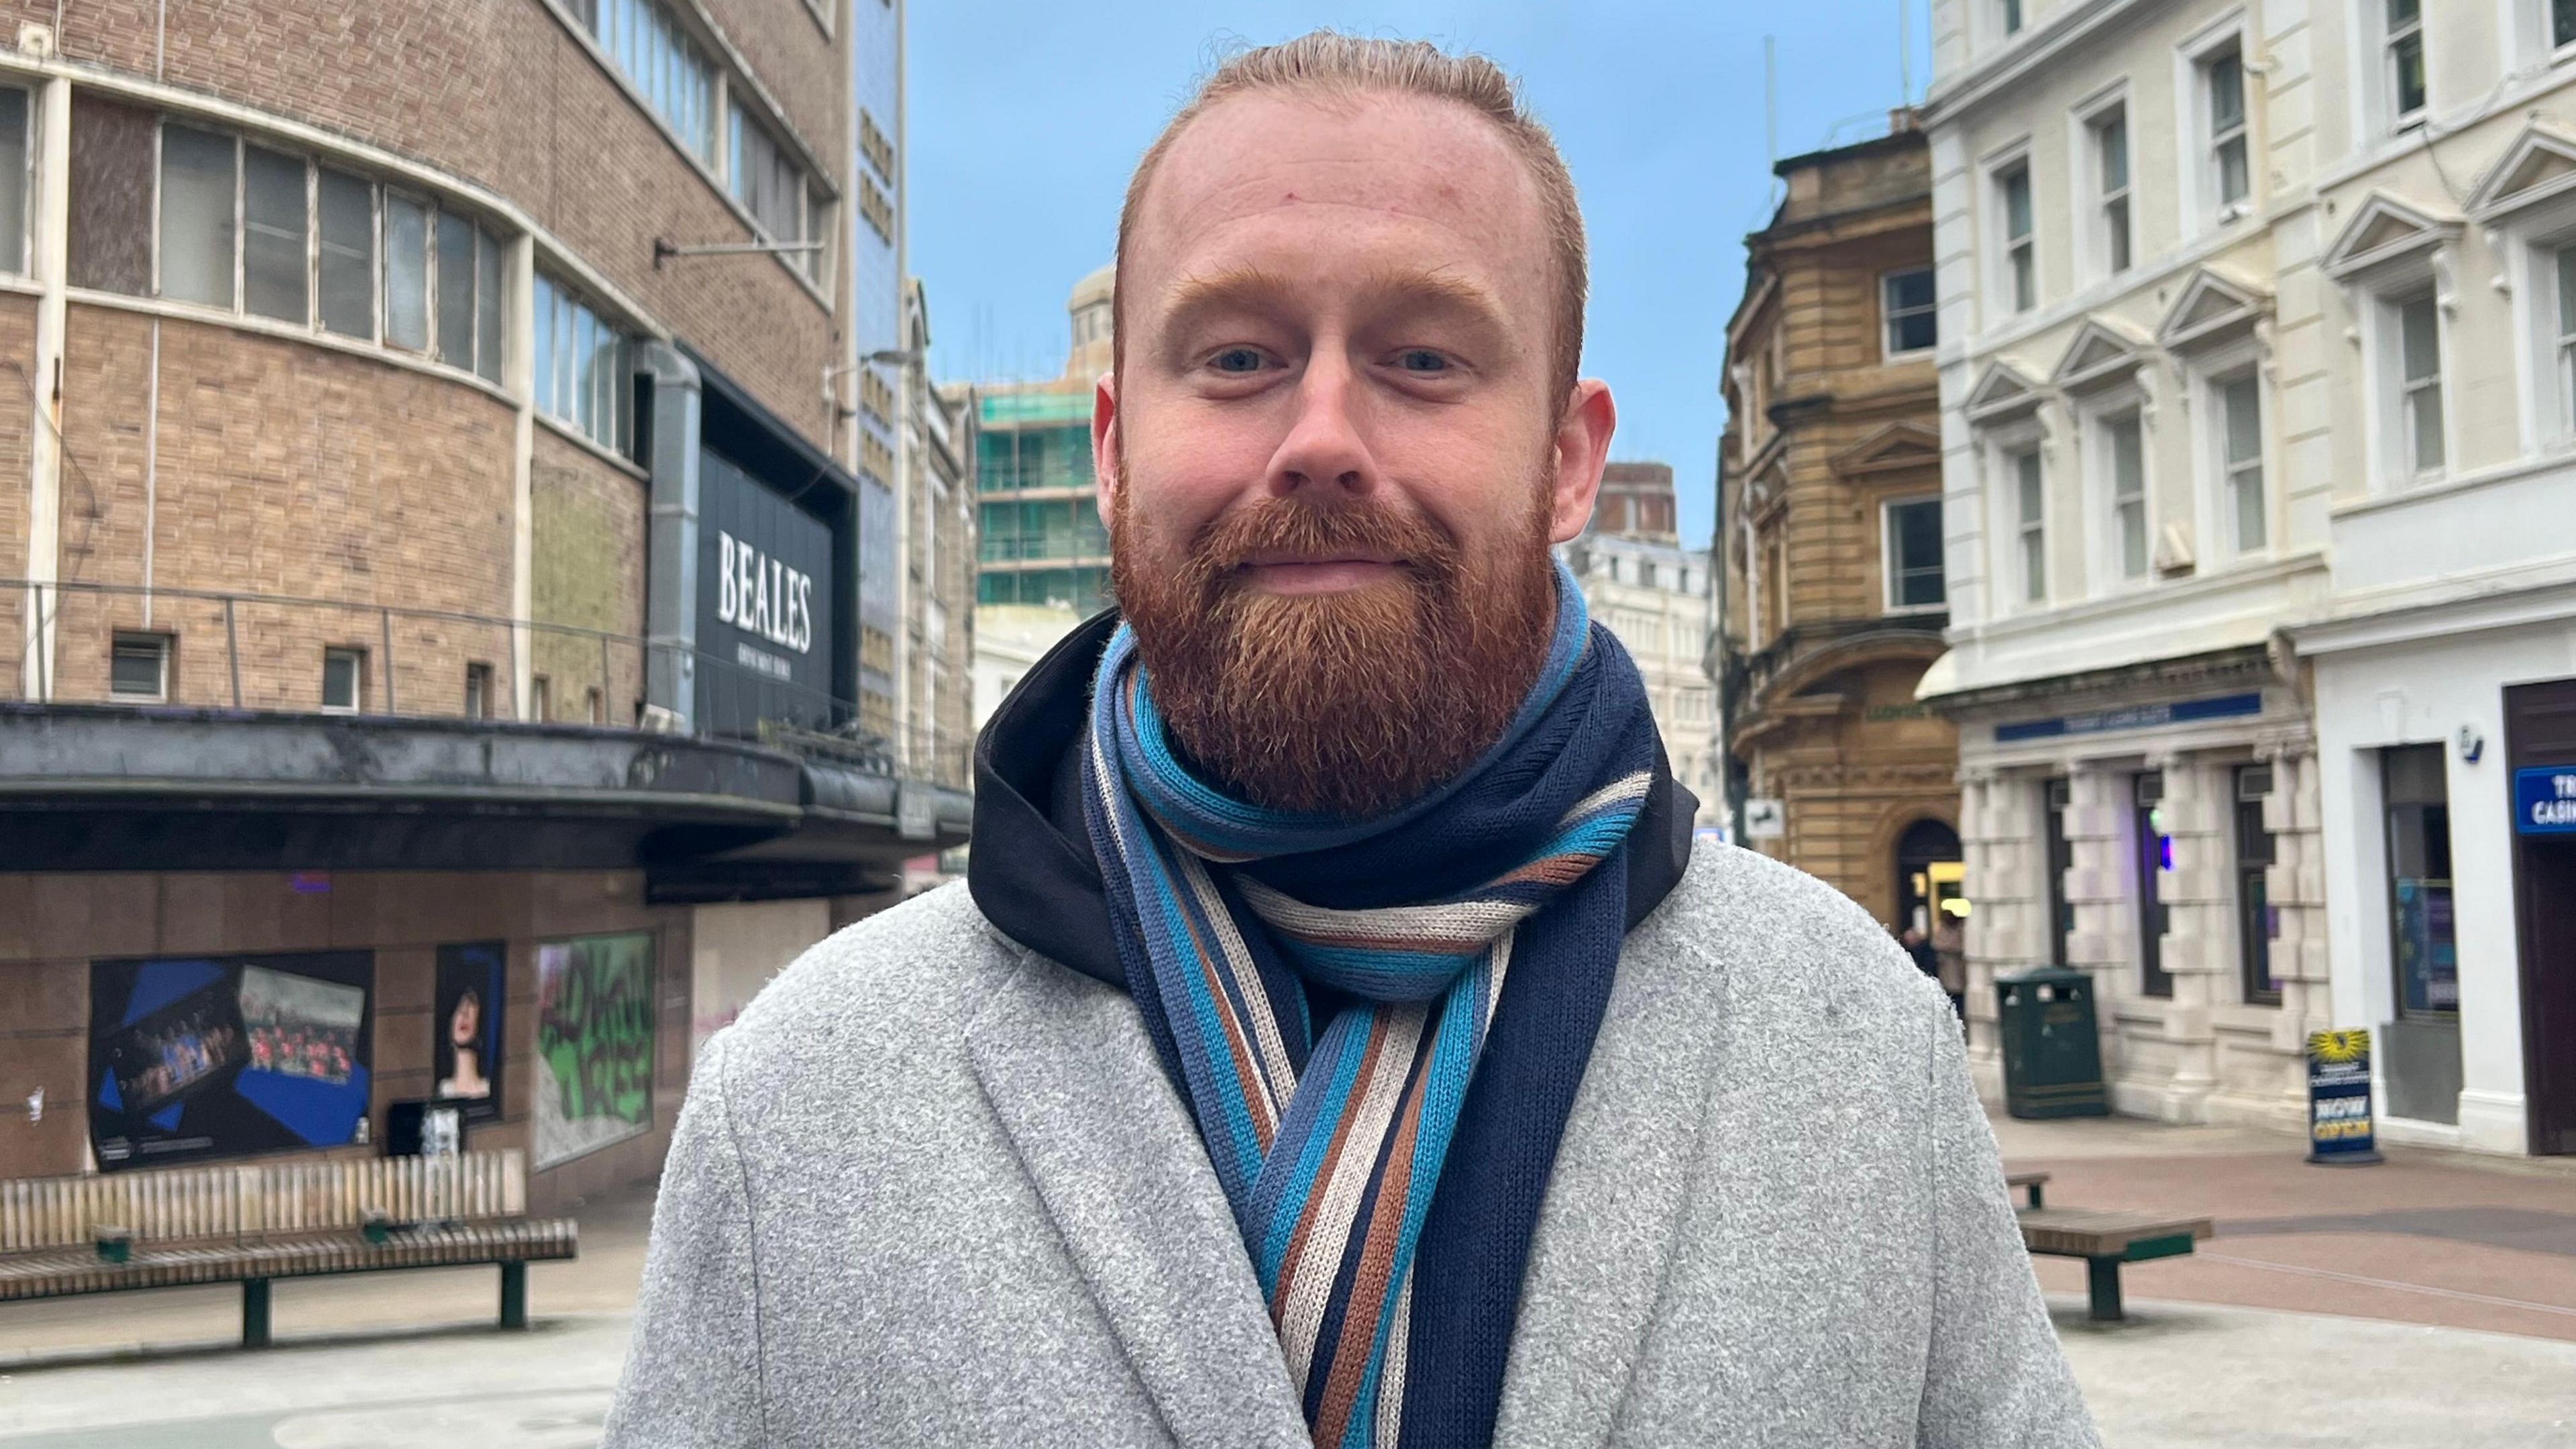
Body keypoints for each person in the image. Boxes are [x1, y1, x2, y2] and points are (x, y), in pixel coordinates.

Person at [606, 32, 2095, 1449]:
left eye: (1426, 359)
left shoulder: (1861, 1045)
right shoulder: (796, 1098)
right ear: (1117, 451)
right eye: (1241, 358)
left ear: (1569, 460)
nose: (1321, 431)